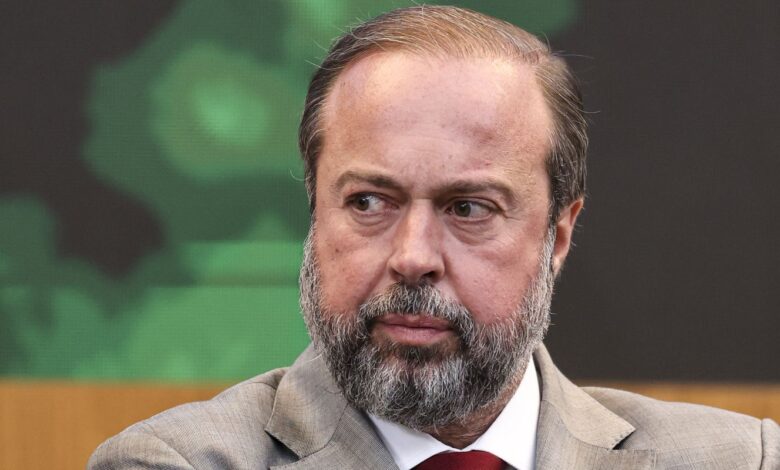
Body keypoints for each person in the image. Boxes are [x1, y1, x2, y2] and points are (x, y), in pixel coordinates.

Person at [89, 6, 779, 469]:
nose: (413, 256)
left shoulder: (741, 461)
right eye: (368, 202)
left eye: (469, 208)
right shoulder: (179, 463)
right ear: (315, 213)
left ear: (559, 235)